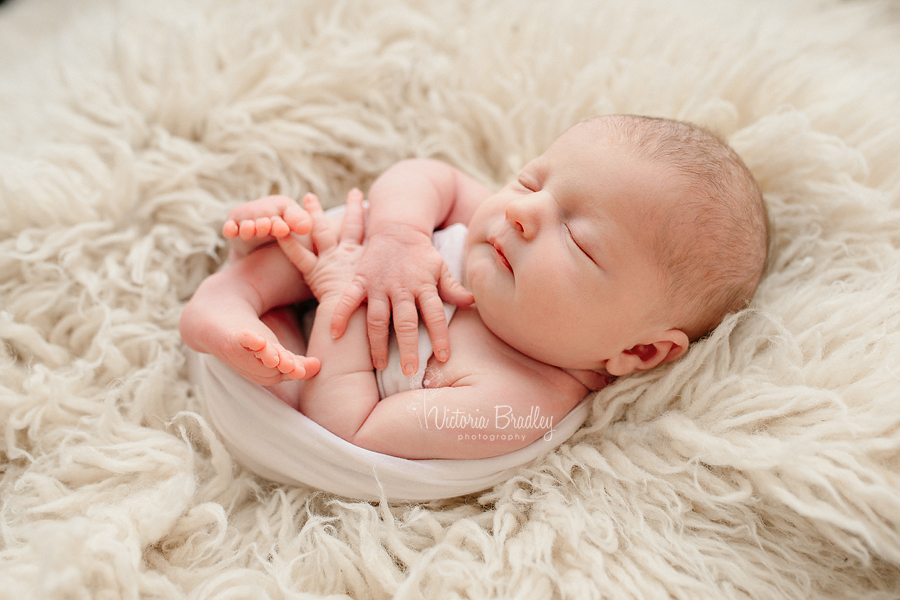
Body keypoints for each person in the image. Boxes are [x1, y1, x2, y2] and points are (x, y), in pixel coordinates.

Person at [180, 114, 768, 461]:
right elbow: (427, 175)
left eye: (580, 242)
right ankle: (237, 289)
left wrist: (342, 296)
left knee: (286, 349)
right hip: (351, 269)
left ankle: (250, 312)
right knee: (339, 232)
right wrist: (399, 234)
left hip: (301, 391)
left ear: (638, 351)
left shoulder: (518, 406)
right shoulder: (502, 238)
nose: (524, 212)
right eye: (531, 181)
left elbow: (347, 430)